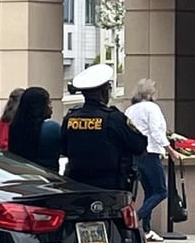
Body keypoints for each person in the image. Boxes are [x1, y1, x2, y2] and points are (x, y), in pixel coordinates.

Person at [62, 64, 148, 194]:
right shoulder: (114, 118)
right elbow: (139, 145)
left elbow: (64, 149)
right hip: (110, 188)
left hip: (76, 186)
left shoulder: (70, 118)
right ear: (104, 92)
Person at [124, 79, 182, 243]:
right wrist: (170, 150)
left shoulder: (130, 110)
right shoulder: (152, 108)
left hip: (135, 155)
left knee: (149, 192)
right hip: (150, 153)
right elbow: (156, 131)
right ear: (150, 94)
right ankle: (136, 219)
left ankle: (147, 229)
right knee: (160, 191)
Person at [8, 87, 62, 172]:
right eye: (49, 103)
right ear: (41, 106)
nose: (51, 107)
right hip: (48, 175)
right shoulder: (51, 128)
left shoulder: (14, 127)